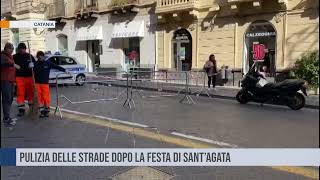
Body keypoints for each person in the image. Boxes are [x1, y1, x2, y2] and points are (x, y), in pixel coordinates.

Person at [34, 51, 69, 118]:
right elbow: (31, 72)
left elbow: (56, 66)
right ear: (37, 57)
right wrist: (30, 67)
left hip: (45, 84)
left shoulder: (48, 63)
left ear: (43, 57)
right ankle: (42, 112)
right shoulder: (35, 64)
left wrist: (64, 70)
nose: (40, 58)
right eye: (39, 57)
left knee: (46, 98)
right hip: (37, 84)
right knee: (39, 98)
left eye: (41, 57)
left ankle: (46, 111)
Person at [13, 42, 36, 117]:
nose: (22, 50)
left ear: (25, 49)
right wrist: (14, 66)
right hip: (19, 77)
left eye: (23, 49)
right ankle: (21, 110)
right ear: (18, 49)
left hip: (29, 77)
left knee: (30, 93)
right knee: (20, 93)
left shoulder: (29, 56)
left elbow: (35, 65)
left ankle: (31, 108)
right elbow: (11, 66)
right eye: (21, 49)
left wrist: (33, 65)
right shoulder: (15, 57)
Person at [1, 43, 20, 127]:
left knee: (11, 98)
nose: (12, 50)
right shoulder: (2, 56)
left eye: (13, 49)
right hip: (5, 80)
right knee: (7, 98)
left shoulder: (10, 56)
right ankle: (6, 118)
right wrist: (13, 64)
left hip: (11, 81)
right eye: (10, 49)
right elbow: (3, 64)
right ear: (6, 49)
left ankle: (7, 116)